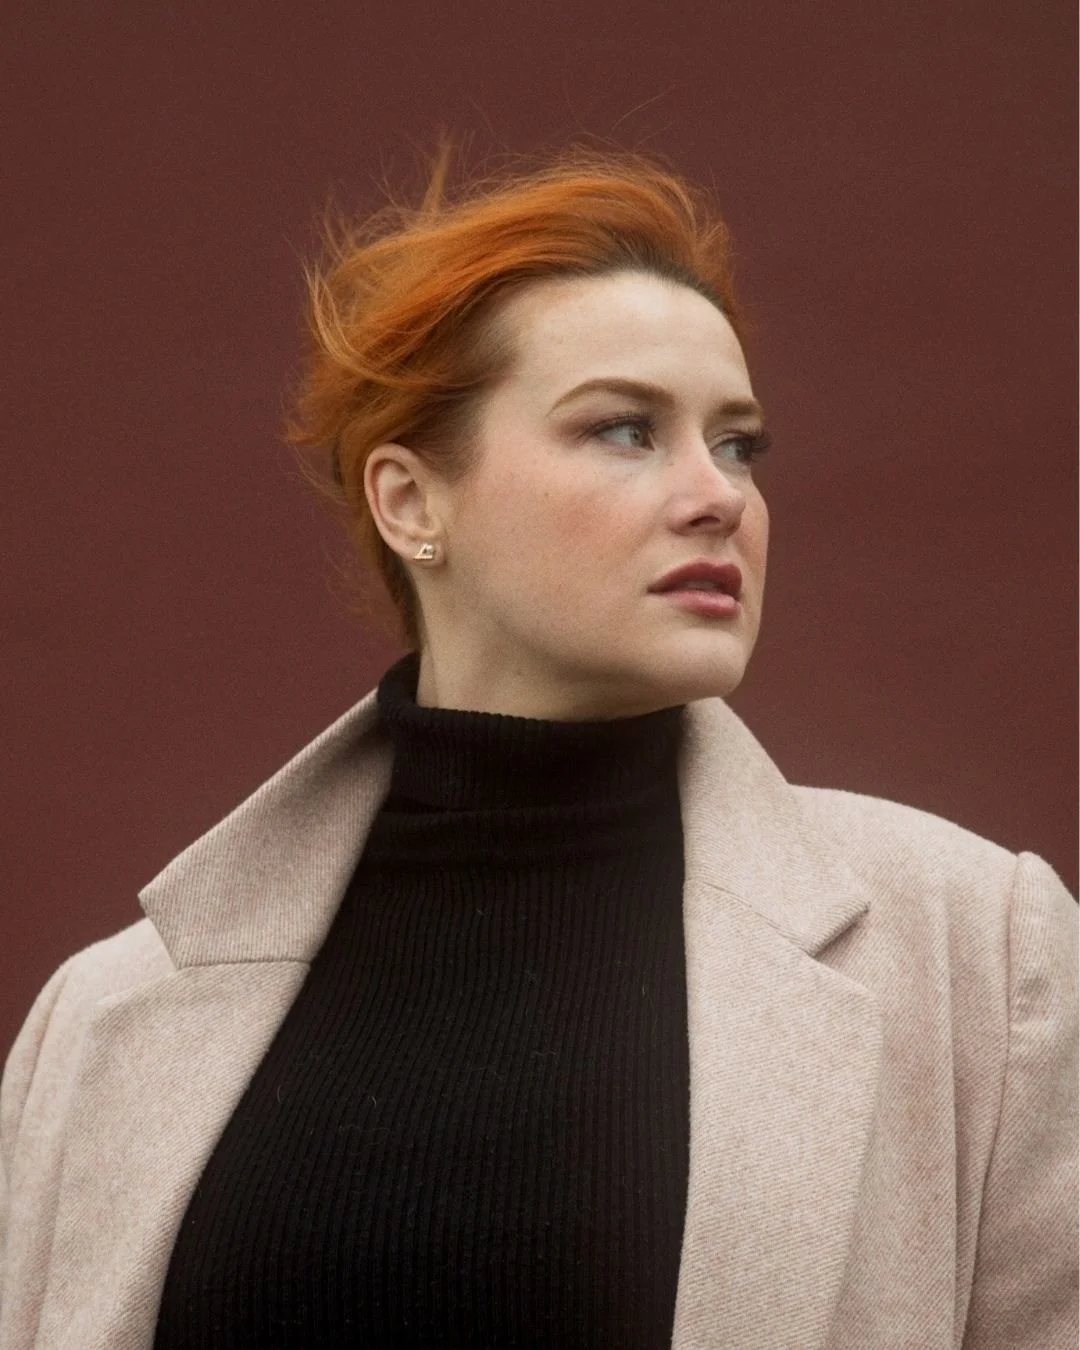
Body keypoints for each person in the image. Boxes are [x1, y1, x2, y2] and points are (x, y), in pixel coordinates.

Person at [0, 139, 1076, 1350]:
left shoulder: (975, 950)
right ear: (411, 502)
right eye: (625, 429)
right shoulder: (100, 1021)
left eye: (738, 442)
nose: (717, 493)